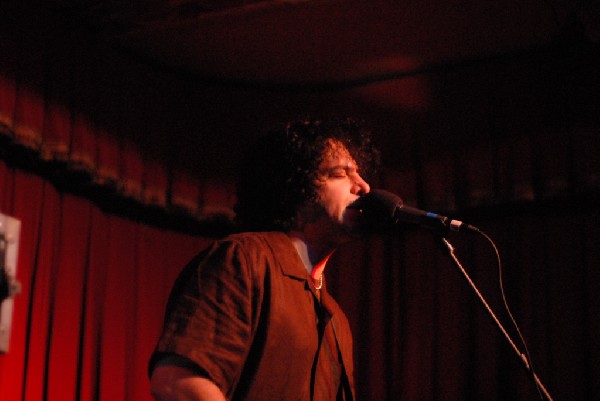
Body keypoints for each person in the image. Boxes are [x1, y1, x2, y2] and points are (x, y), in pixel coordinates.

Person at [148, 117, 380, 401]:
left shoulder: (337, 321)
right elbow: (177, 383)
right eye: (340, 173)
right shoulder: (244, 260)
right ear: (298, 187)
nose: (364, 186)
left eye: (359, 173)